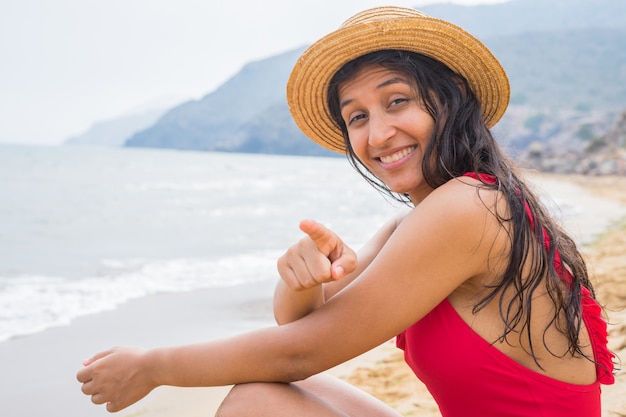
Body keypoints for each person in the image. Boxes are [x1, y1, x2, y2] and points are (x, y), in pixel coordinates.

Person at [77, 6, 616, 416]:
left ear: (450, 97)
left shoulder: (468, 208)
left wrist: (154, 366)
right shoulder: (426, 218)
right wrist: (302, 280)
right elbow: (299, 322)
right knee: (261, 393)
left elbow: (300, 352)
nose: (378, 133)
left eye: (397, 100)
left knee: (256, 404)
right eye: (356, 117)